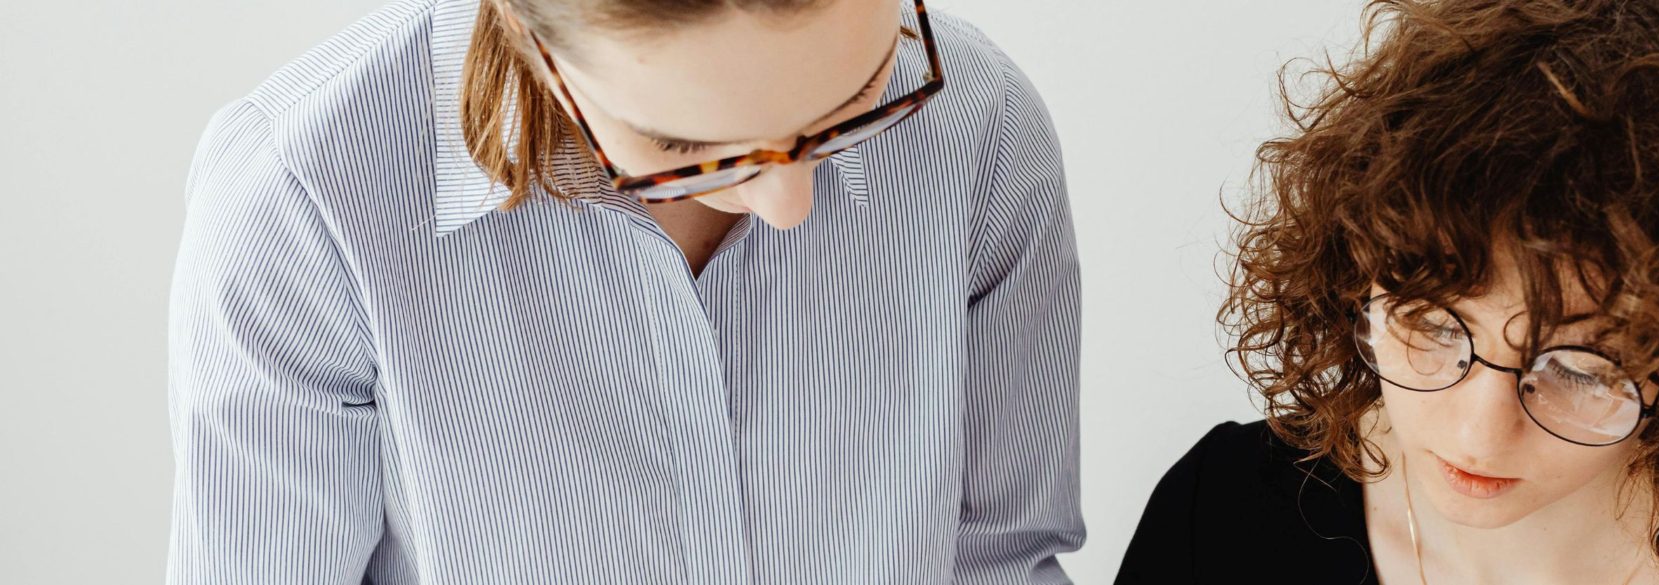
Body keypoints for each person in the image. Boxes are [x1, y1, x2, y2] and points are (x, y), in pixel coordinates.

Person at [167, 0, 1082, 582]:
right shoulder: (307, 197)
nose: (790, 205)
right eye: (689, 150)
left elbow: (999, 564)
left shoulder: (981, 127)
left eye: (857, 101)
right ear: (530, 32)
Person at [1117, 0, 1659, 583]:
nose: (1479, 431)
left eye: (1579, 369)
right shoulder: (1224, 513)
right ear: (1354, 278)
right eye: (1433, 326)